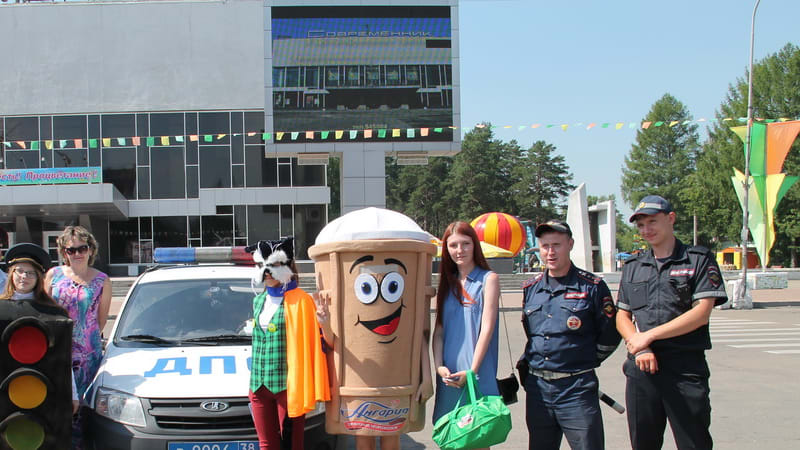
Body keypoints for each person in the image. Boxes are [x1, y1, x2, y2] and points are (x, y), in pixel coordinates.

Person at [617, 195, 728, 450]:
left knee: (694, 443)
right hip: (642, 368)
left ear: (671, 218)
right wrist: (640, 346)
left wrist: (649, 336)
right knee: (643, 443)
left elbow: (701, 313)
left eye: (652, 222)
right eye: (641, 225)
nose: (647, 229)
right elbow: (622, 316)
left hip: (684, 369)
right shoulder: (633, 265)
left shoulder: (697, 259)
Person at [519, 219, 620, 450]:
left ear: (570, 244)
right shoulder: (531, 288)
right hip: (538, 389)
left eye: (557, 245)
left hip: (577, 389)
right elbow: (532, 334)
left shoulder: (592, 286)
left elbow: (610, 335)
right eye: (545, 246)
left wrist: (581, 360)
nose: (550, 252)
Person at [246, 237, 330, 450]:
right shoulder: (258, 300)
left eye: (273, 265)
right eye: (261, 265)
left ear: (287, 266)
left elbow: (319, 343)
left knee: (291, 445)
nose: (266, 272)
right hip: (258, 386)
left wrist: (323, 323)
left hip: (288, 387)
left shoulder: (302, 300)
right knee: (267, 445)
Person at [431, 221, 500, 439]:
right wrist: (439, 366)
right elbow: (439, 331)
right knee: (451, 438)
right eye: (453, 245)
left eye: (465, 244)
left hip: (477, 375)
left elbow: (487, 329)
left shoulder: (488, 279)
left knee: (478, 438)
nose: (459, 250)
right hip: (449, 377)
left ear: (474, 245)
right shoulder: (447, 284)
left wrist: (472, 371)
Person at [45, 225, 112, 448]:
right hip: (57, 351)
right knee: (58, 404)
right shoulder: (53, 275)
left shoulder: (102, 280)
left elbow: (101, 320)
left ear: (90, 250)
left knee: (85, 409)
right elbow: (44, 312)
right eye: (71, 250)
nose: (77, 254)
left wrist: (83, 342)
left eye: (82, 248)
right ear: (64, 252)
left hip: (87, 357)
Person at [1, 243, 79, 414]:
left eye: (30, 273)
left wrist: (73, 394)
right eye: (19, 271)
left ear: (38, 277)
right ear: (11, 273)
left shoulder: (54, 313)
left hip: (44, 389)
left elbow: (64, 359)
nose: (24, 276)